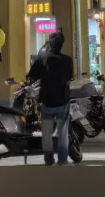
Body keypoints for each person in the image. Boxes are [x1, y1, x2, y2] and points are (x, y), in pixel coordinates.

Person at [26, 31, 73, 166]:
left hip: (46, 101)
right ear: (61, 45)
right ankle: (62, 160)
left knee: (46, 132)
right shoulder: (68, 60)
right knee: (62, 132)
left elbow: (31, 75)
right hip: (62, 100)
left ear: (49, 44)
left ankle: (48, 159)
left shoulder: (42, 58)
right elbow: (69, 77)